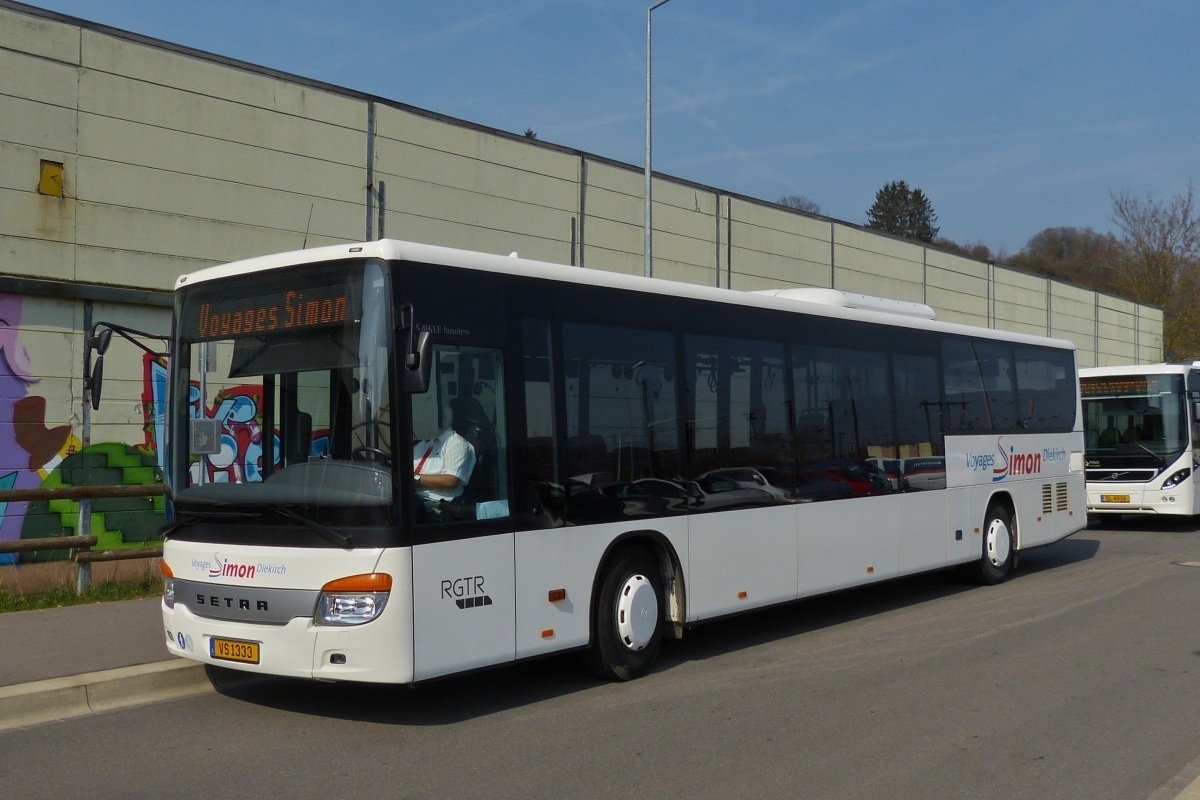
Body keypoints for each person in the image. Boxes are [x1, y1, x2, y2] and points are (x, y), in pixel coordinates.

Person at [412, 401, 478, 505]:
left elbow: (451, 481)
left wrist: (416, 479)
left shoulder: (457, 444)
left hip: (440, 506)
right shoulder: (422, 445)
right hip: (415, 499)